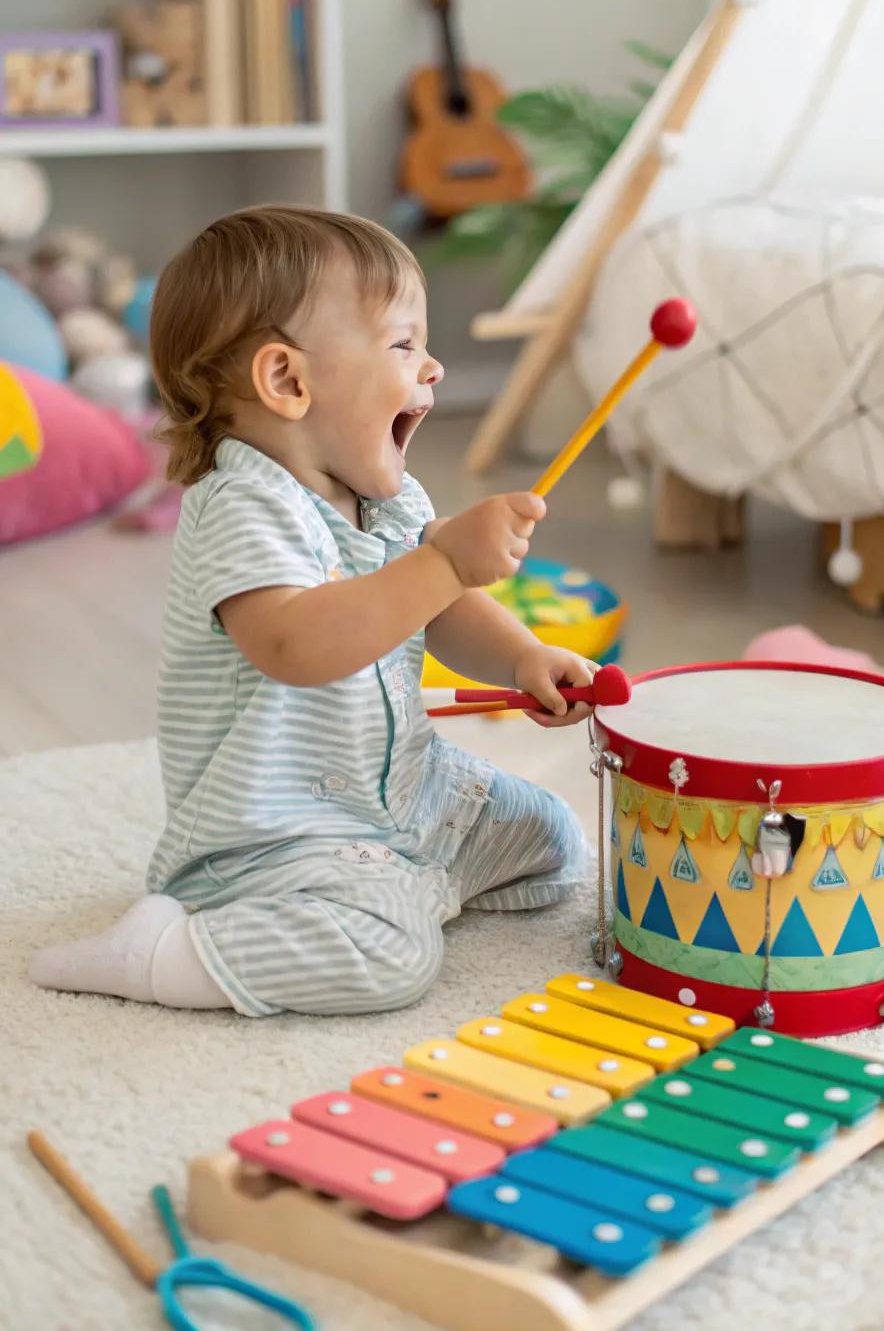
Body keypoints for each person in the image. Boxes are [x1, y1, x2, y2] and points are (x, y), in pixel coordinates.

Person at [31, 206, 590, 1017]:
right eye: (405, 345)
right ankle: (164, 951)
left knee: (551, 839)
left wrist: (523, 658)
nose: (432, 370)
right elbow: (296, 644)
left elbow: (443, 612)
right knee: (392, 958)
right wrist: (441, 562)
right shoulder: (241, 503)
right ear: (288, 381)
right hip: (272, 832)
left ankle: (400, 881)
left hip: (401, 797)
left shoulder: (387, 499)